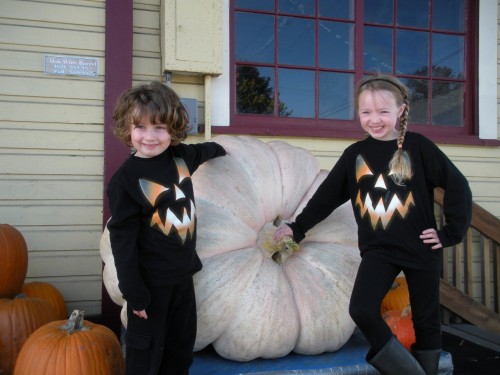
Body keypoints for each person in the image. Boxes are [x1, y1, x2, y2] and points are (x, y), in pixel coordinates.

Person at [274, 74, 472, 375]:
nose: (374, 120)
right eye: (366, 112)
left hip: (421, 247)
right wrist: (298, 227)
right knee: (362, 310)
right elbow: (326, 197)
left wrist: (449, 233)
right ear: (358, 113)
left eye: (383, 112)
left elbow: (458, 186)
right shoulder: (355, 155)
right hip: (379, 250)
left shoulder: (417, 148)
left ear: (401, 111)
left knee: (425, 319)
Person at [106, 81, 226, 374]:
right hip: (149, 287)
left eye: (159, 127)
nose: (149, 136)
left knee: (180, 350)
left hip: (184, 278)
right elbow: (122, 241)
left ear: (173, 128)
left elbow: (205, 150)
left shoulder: (181, 157)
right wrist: (133, 292)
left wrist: (225, 149)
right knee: (145, 356)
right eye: (140, 127)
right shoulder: (125, 181)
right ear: (127, 128)